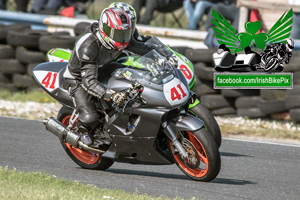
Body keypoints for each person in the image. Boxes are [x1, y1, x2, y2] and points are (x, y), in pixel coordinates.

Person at [63, 6, 152, 146]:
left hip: (104, 69)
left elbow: (142, 48)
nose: (122, 39)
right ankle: (82, 130)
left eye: (125, 34)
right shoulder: (90, 46)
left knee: (134, 91)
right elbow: (89, 82)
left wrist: (162, 56)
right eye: (118, 34)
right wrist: (110, 95)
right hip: (78, 79)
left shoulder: (122, 38)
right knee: (90, 117)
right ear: (105, 29)